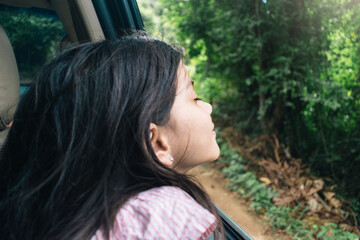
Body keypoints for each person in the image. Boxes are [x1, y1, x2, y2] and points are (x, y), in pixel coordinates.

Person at [0, 35, 223, 239]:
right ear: (156, 142)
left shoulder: (40, 212)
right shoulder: (163, 216)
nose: (208, 107)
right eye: (195, 98)